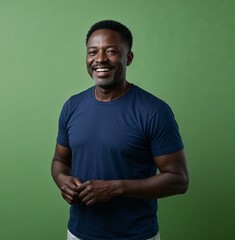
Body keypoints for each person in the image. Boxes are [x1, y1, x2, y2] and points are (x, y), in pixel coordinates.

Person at [51, 20, 189, 240]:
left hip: (135, 235)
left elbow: (179, 180)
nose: (100, 59)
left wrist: (116, 188)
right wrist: (62, 180)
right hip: (78, 234)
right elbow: (60, 160)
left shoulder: (154, 111)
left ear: (129, 58)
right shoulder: (72, 106)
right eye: (92, 52)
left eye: (112, 51)